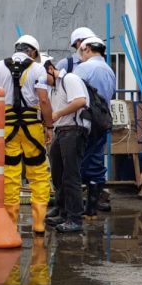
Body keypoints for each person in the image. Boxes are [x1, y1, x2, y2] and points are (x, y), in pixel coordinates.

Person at [0, 35, 53, 234]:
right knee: (38, 174)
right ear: (32, 52)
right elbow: (44, 101)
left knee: (10, 174)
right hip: (32, 128)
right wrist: (49, 127)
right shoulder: (38, 69)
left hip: (6, 127)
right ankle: (39, 223)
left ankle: (11, 222)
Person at [43, 57, 89, 233]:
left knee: (71, 176)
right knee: (57, 174)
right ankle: (63, 212)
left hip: (74, 130)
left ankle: (75, 218)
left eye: (42, 76)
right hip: (61, 131)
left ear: (51, 69)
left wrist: (58, 113)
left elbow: (80, 101)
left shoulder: (69, 79)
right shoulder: (52, 89)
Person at [74, 36, 116, 217]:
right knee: (96, 159)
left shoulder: (83, 68)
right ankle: (94, 203)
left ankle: (78, 206)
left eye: (82, 51)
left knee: (77, 161)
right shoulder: (109, 70)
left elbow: (72, 92)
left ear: (88, 49)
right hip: (103, 119)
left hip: (85, 120)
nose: (81, 55)